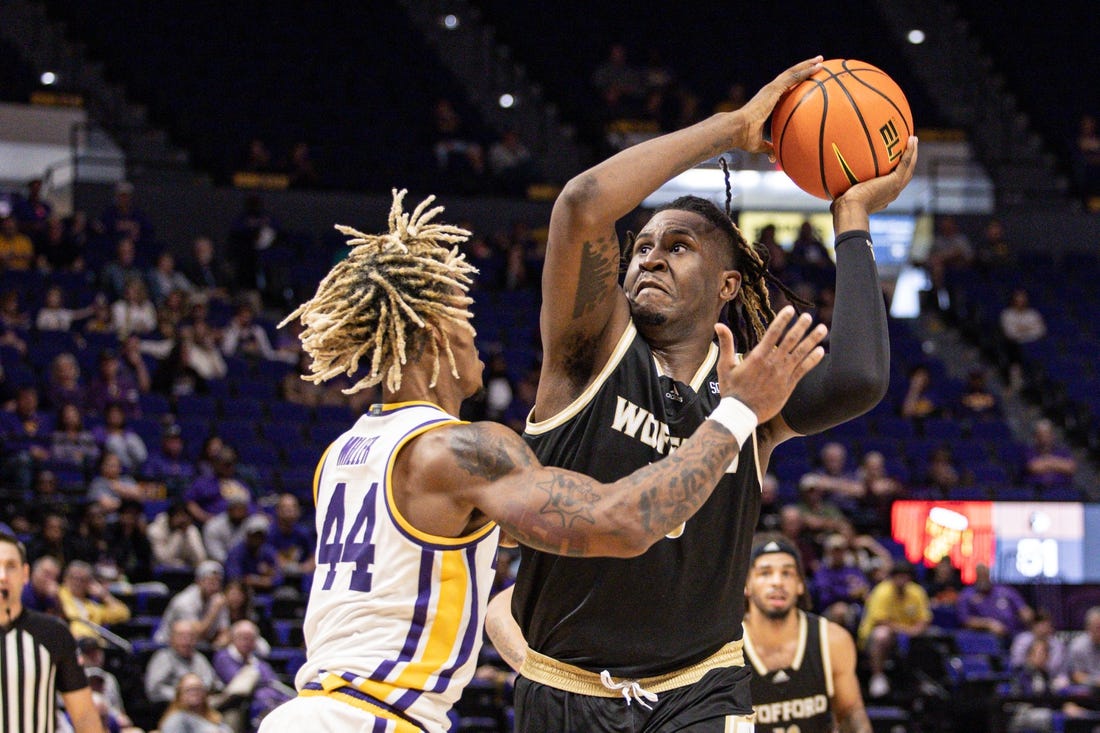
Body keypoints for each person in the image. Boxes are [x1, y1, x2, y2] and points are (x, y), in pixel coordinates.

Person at [255, 183, 828, 733]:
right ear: (430, 332)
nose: (477, 332)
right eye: (462, 316)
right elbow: (621, 524)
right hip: (374, 718)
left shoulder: (346, 454)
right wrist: (738, 413)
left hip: (314, 709)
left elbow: (494, 553)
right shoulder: (463, 451)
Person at [486, 53, 914, 729]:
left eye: (679, 245)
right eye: (643, 246)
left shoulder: (753, 390)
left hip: (702, 689)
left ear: (727, 285)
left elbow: (860, 377)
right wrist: (731, 128)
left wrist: (852, 217)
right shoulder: (590, 352)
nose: (651, 255)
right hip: (565, 688)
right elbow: (581, 204)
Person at [742, 538, 872, 733]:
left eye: (787, 573)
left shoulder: (832, 640)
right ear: (747, 586)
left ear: (801, 585)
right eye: (765, 573)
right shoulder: (727, 646)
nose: (777, 582)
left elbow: (850, 713)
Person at [0, 532, 107, 733]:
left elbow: (84, 716)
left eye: (11, 566)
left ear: (25, 574)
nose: (2, 576)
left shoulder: (53, 633)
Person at [857, 560, 932, 699]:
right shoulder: (882, 591)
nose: (902, 580)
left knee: (929, 635)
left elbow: (925, 619)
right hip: (873, 638)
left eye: (905, 576)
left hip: (906, 636)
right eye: (898, 576)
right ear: (892, 577)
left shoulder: (917, 592)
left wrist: (915, 630)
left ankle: (923, 680)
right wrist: (907, 630)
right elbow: (880, 620)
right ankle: (877, 677)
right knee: (882, 634)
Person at [144, 620, 223, 706]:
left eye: (191, 636)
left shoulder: (199, 658)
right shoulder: (163, 658)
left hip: (204, 706)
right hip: (174, 707)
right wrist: (184, 696)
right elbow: (154, 689)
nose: (186, 641)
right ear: (171, 639)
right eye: (181, 636)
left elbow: (214, 682)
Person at [57, 559, 132, 643]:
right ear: (65, 578)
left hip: (92, 647)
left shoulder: (93, 607)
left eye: (82, 580)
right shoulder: (57, 595)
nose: (77, 582)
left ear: (89, 583)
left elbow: (123, 613)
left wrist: (104, 595)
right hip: (69, 642)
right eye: (74, 578)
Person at [956, 562, 1034, 639]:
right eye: (980, 575)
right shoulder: (967, 594)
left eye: (985, 574)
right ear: (976, 576)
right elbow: (965, 620)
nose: (983, 578)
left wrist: (1028, 616)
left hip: (1013, 632)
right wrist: (988, 624)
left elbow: (1024, 609)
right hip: (983, 636)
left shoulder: (1005, 590)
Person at [156, 673, 233, 733]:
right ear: (180, 695)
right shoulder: (175, 719)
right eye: (189, 690)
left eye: (198, 689)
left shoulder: (214, 716)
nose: (194, 693)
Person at [1064, 605, 1100, 687]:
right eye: (1098, 628)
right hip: (1087, 690)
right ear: (1088, 628)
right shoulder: (1078, 647)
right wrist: (1096, 682)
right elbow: (1077, 676)